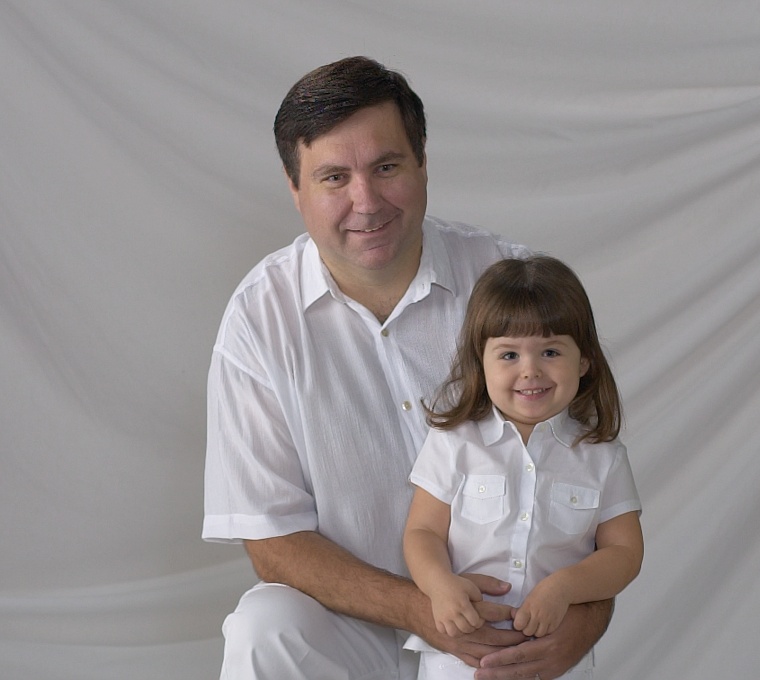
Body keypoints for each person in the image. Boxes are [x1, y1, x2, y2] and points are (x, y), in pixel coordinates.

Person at [203, 55, 615, 680]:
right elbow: (272, 540)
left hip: (500, 620)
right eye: (334, 177)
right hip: (348, 625)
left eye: (386, 167)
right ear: (295, 188)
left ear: (423, 163)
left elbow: (591, 487)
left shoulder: (512, 286)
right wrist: (422, 610)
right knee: (264, 628)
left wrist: (581, 623)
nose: (365, 201)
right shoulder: (259, 319)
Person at [403, 256, 643, 679]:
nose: (530, 370)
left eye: (550, 351)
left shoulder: (603, 456)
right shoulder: (454, 443)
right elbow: (423, 532)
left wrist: (565, 587)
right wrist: (440, 585)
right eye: (509, 354)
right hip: (457, 662)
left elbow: (624, 552)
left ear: (583, 360)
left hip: (553, 663)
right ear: (481, 362)